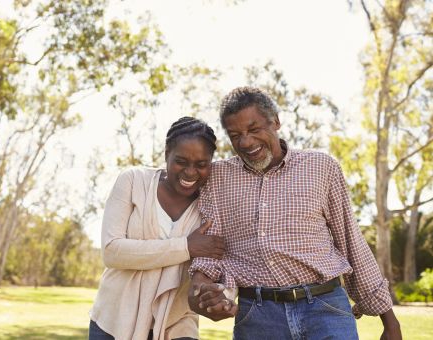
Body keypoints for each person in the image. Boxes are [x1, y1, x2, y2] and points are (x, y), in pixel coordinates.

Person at [187, 87, 402, 339]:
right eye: (235, 135)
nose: (245, 142)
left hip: (326, 309)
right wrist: (201, 290)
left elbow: (351, 241)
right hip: (256, 317)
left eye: (254, 129)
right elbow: (210, 250)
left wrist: (390, 321)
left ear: (276, 122)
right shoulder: (218, 177)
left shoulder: (322, 167)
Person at [89, 117, 226, 340]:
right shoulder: (133, 181)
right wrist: (186, 247)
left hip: (177, 321)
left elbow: (217, 260)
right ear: (166, 155)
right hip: (114, 321)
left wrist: (223, 295)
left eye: (201, 164)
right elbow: (112, 252)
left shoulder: (211, 205)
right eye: (181, 161)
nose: (190, 172)